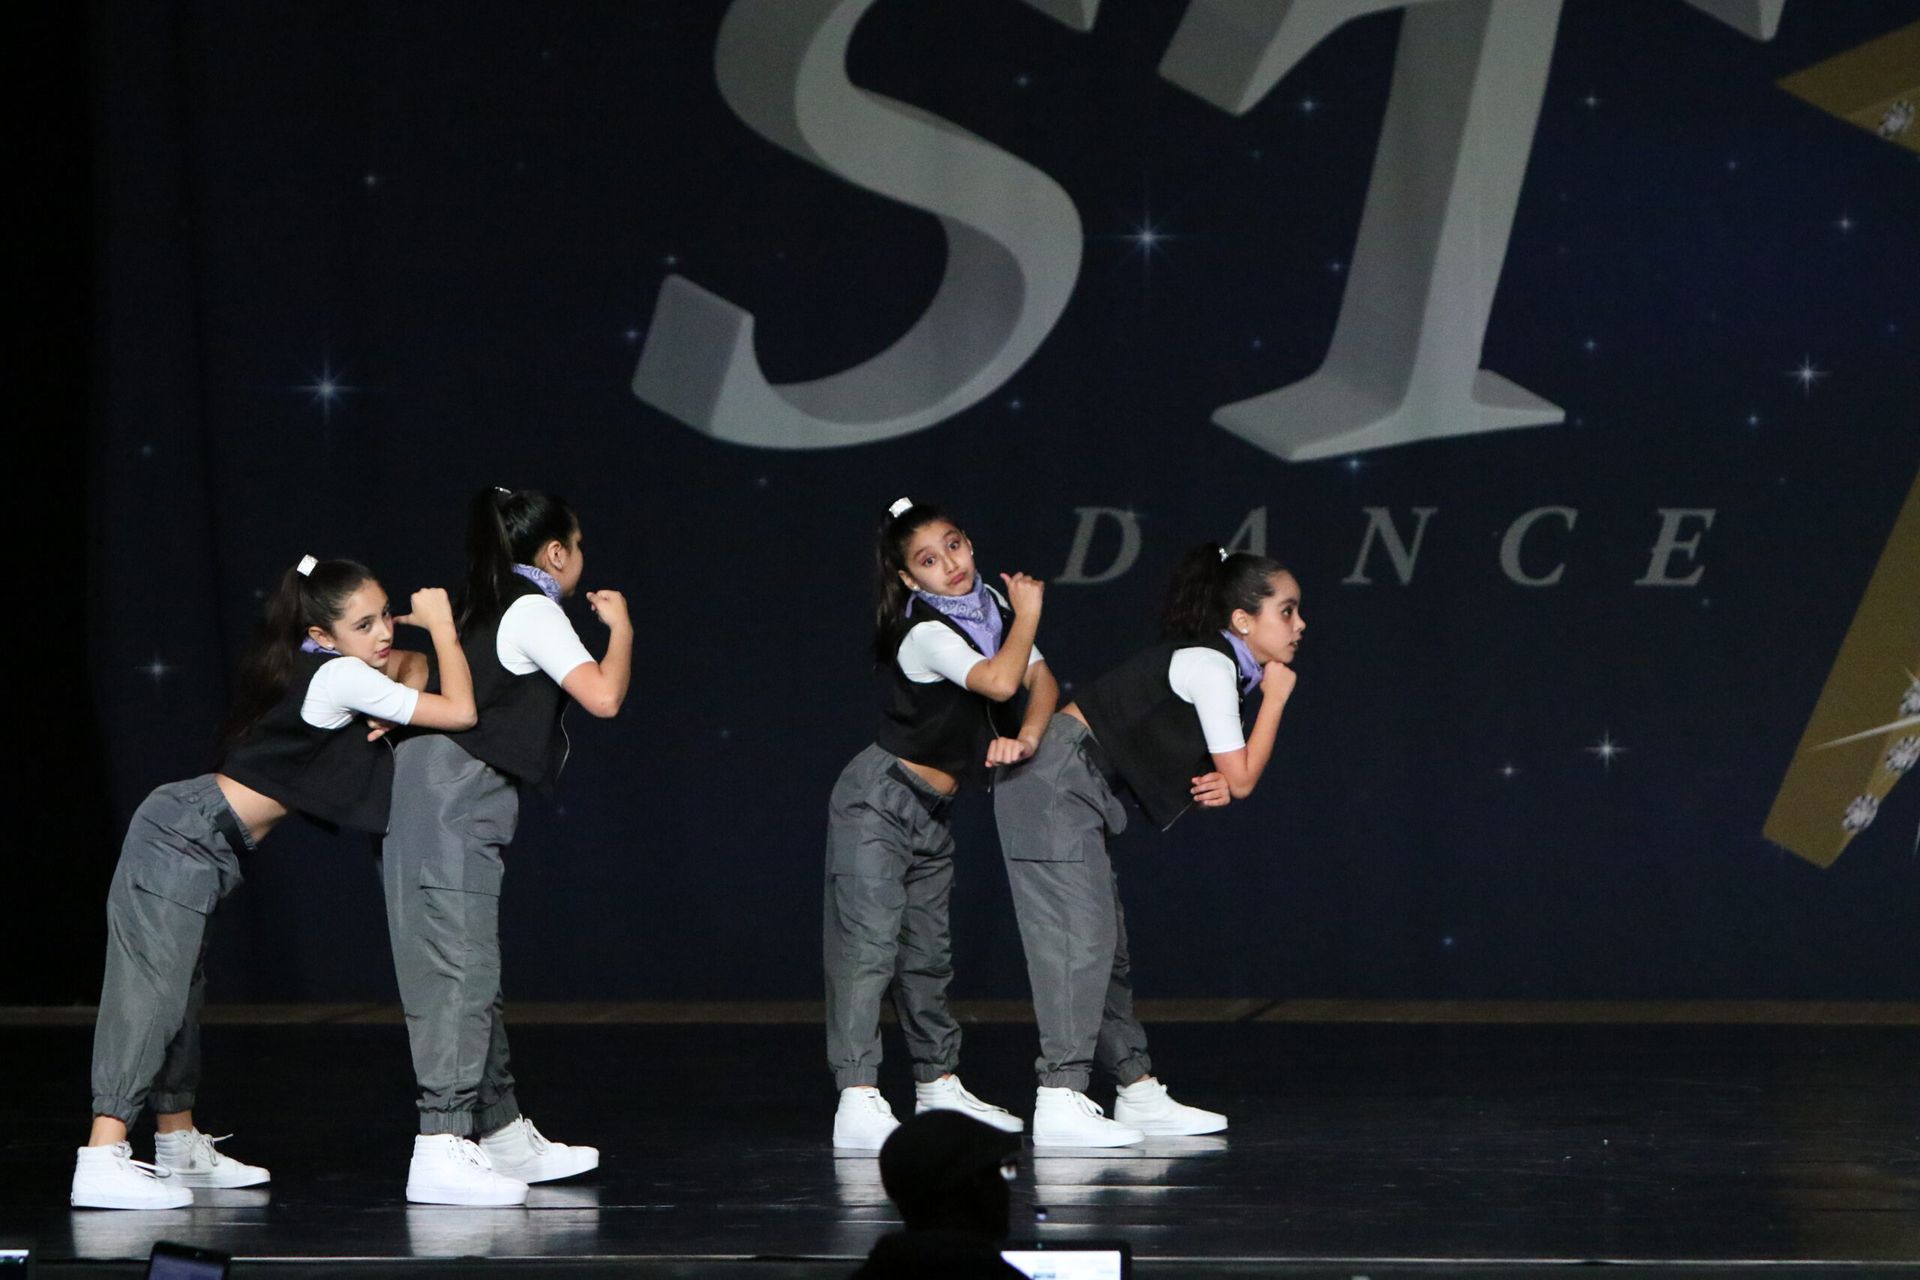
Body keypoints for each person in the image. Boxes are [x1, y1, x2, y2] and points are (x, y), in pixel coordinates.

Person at [72, 556, 475, 1209]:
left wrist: (409, 666)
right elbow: (459, 709)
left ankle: (177, 1144)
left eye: (386, 617)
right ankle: (101, 1153)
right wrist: (442, 628)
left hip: (203, 839)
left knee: (180, 993)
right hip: (185, 833)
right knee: (150, 990)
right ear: (321, 635)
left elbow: (411, 673)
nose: (383, 633)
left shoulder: (339, 666)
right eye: (363, 623)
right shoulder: (343, 675)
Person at [994, 544, 1302, 1146]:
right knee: (1077, 942)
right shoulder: (1213, 666)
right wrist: (1277, 699)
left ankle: (1136, 1092)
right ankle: (1059, 1097)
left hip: (1075, 786)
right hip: (1055, 782)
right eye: (1287, 611)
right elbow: (1241, 777)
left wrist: (1218, 776)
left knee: (1106, 948)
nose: (1299, 625)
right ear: (1243, 620)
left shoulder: (1220, 668)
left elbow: (1211, 766)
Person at [379, 487, 631, 1206]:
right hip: (453, 790)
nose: (580, 557)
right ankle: (441, 1143)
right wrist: (621, 628)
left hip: (450, 788)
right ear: (555, 553)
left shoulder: (485, 602)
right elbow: (603, 697)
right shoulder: (531, 608)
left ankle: (500, 1131)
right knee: (457, 966)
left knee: (471, 965)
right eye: (576, 546)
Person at [825, 498, 1056, 1148]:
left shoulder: (991, 614)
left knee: (928, 956)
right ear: (908, 578)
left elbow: (1040, 681)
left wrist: (1030, 739)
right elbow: (998, 680)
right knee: (868, 950)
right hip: (880, 798)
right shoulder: (927, 629)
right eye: (929, 559)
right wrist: (1032, 613)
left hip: (932, 810)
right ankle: (858, 1098)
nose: (950, 565)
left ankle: (937, 1085)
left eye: (955, 545)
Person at [851, 1111, 1026, 1279]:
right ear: (973, 1186)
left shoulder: (874, 1272)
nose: (1005, 1188)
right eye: (998, 1173)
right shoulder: (994, 1274)